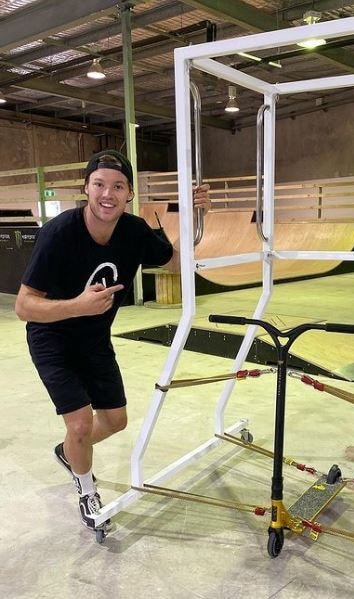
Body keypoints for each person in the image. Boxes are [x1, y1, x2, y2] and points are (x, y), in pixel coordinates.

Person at [15, 149, 210, 530]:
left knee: (116, 421)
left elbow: (174, 261)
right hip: (51, 338)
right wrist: (78, 306)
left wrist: (193, 214)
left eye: (118, 186)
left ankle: (70, 452)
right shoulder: (59, 233)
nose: (109, 194)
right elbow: (24, 306)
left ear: (130, 194)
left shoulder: (134, 231)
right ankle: (86, 489)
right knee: (81, 425)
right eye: (100, 184)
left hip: (94, 340)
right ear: (86, 189)